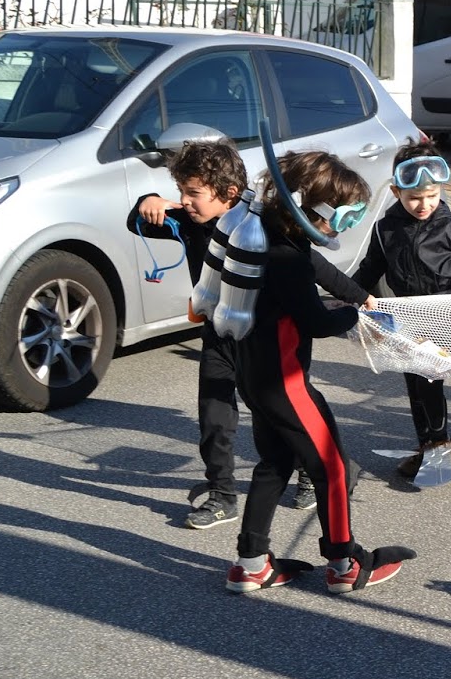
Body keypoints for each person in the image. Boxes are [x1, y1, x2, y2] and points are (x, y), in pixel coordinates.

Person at [131, 139, 369, 530]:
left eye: (193, 193)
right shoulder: (189, 221)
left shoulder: (260, 227)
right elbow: (137, 222)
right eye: (181, 192)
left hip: (266, 344)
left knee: (280, 417)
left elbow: (315, 266)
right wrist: (147, 200)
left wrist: (361, 298)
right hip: (219, 336)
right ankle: (222, 495)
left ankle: (312, 471)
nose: (185, 201)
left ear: (228, 193)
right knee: (215, 416)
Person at [227, 151, 413, 594]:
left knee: (275, 463)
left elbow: (318, 267)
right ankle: (345, 563)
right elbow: (316, 321)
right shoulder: (286, 258)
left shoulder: (268, 232)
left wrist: (362, 296)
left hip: (253, 376)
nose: (344, 228)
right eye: (344, 218)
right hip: (286, 383)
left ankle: (251, 564)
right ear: (314, 210)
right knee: (334, 468)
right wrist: (355, 317)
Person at [352, 142, 451, 476]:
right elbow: (370, 269)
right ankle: (425, 446)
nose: (424, 204)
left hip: (442, 317)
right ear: (396, 191)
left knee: (430, 382)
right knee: (414, 384)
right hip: (404, 318)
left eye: (432, 195)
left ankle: (439, 447)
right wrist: (347, 294)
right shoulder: (385, 229)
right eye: (414, 197)